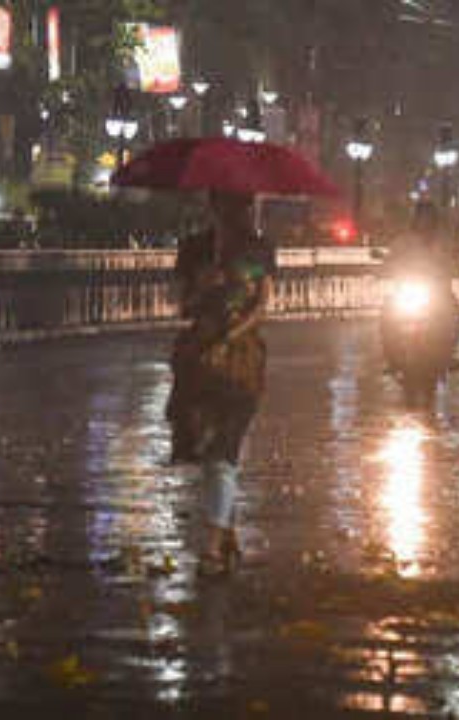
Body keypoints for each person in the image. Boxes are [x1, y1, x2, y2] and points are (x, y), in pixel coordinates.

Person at [167, 191, 276, 576]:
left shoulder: (260, 249)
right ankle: (225, 528)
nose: (241, 212)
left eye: (245, 205)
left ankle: (211, 547)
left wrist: (230, 338)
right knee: (205, 449)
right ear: (214, 206)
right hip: (198, 359)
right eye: (232, 205)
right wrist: (203, 286)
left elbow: (262, 306)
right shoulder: (195, 248)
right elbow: (183, 305)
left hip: (241, 361)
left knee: (224, 449)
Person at [384, 200, 459, 371]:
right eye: (421, 217)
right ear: (415, 219)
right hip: (407, 288)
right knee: (387, 312)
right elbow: (391, 259)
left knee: (454, 311)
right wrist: (385, 267)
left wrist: (457, 266)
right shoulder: (403, 241)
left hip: (438, 291)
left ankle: (449, 353)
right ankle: (391, 356)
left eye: (428, 217)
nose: (424, 221)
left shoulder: (445, 242)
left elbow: (457, 259)